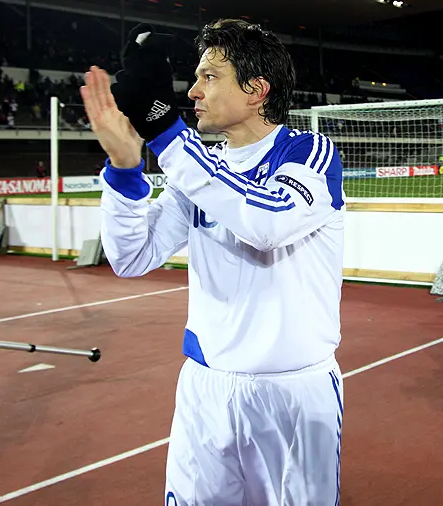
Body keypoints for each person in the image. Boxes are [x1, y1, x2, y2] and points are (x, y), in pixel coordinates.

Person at [80, 20, 346, 505]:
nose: (194, 91)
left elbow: (266, 224)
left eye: (210, 76)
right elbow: (131, 258)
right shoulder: (198, 171)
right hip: (205, 387)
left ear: (256, 90)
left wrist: (165, 133)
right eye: (195, 77)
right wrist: (124, 167)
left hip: (292, 393)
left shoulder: (309, 154)